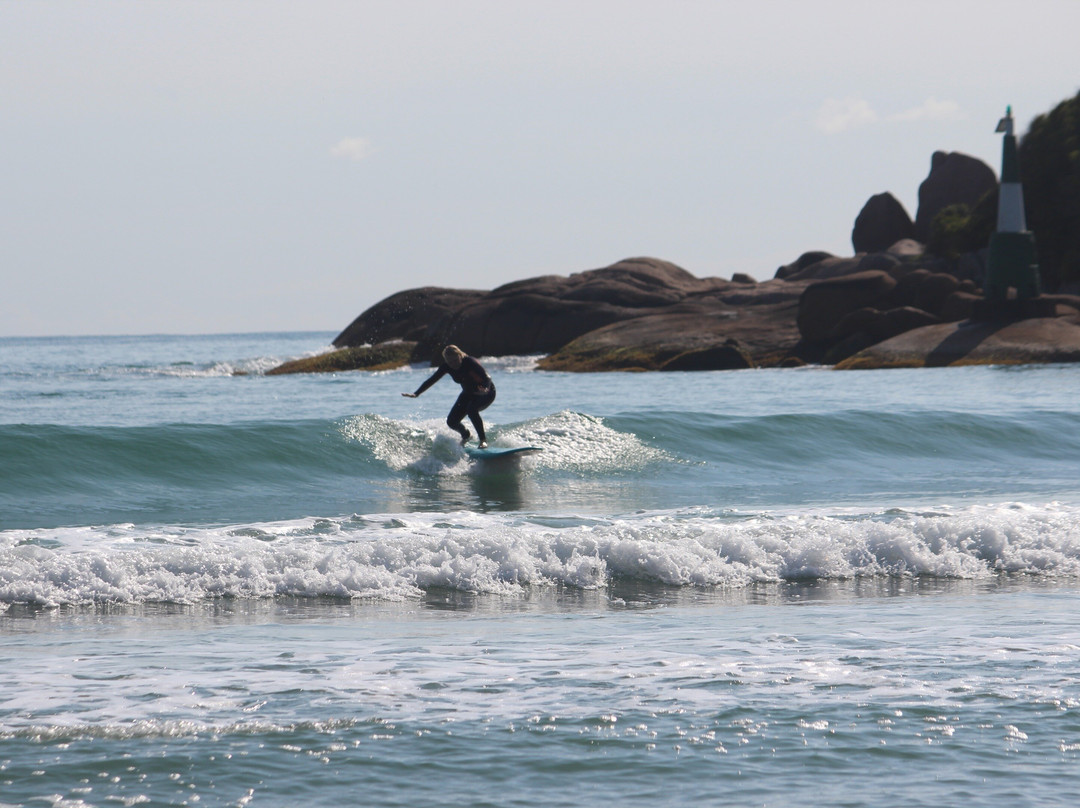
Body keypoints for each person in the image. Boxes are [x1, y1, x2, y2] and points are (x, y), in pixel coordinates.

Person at [403, 345, 495, 448]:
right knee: (452, 421)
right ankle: (466, 436)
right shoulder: (447, 367)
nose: (453, 364)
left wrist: (485, 389)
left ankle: (483, 440)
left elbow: (487, 377)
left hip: (486, 393)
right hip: (468, 393)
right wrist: (417, 393)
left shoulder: (470, 362)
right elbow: (432, 379)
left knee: (471, 410)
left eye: (455, 360)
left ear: (460, 356)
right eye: (450, 362)